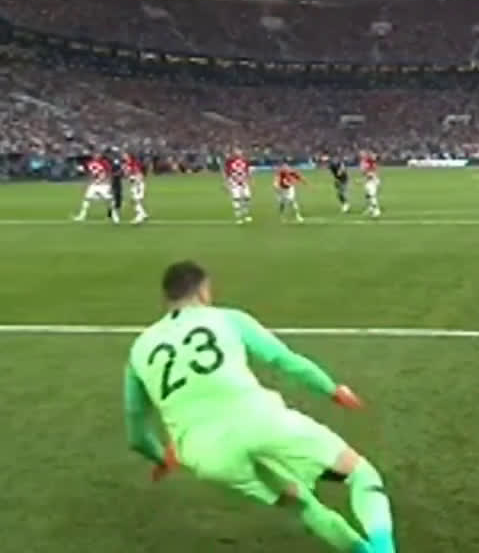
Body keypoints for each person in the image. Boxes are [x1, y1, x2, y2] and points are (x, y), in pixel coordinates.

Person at [124, 261, 397, 553]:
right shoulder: (227, 318)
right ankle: (383, 548)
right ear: (203, 291)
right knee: (361, 474)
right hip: (261, 423)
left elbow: (136, 430)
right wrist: (331, 389)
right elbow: (283, 359)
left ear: (167, 298)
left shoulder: (139, 350)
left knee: (302, 503)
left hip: (207, 456)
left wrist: (161, 458)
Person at [73, 151, 119, 224]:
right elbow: (88, 173)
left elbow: (108, 173)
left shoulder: (104, 162)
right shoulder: (90, 163)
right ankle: (82, 216)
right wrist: (81, 170)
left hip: (103, 185)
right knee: (87, 199)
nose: (96, 156)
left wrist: (107, 182)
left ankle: (114, 215)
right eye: (95, 154)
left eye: (98, 154)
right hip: (94, 184)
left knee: (108, 200)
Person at [223, 149, 252, 224]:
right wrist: (226, 183)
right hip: (234, 182)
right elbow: (226, 173)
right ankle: (238, 217)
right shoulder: (229, 162)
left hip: (244, 182)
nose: (239, 154)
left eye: (240, 153)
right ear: (234, 154)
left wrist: (250, 180)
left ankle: (246, 214)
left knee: (247, 197)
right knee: (237, 198)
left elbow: (248, 172)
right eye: (237, 153)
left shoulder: (245, 161)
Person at [123, 151, 149, 224]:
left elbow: (139, 174)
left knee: (135, 201)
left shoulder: (134, 163)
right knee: (133, 201)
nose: (123, 156)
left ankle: (139, 218)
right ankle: (144, 214)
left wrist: (137, 183)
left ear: (129, 156)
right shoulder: (127, 164)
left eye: (125, 155)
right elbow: (128, 175)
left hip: (138, 185)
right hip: (134, 185)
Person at [361, 151, 381, 219]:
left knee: (372, 196)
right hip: (370, 181)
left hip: (372, 182)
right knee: (368, 195)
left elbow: (370, 175)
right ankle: (371, 208)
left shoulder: (369, 162)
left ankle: (376, 211)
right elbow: (366, 173)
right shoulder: (367, 162)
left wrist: (361, 180)